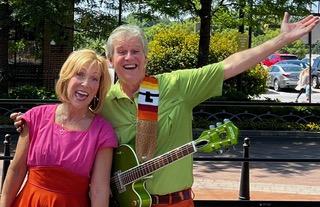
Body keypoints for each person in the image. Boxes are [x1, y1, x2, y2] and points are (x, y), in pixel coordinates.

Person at [11, 12, 319, 207]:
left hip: (176, 203)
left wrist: (279, 39)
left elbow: (229, 65)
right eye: (121, 52)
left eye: (136, 51)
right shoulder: (102, 103)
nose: (129, 57)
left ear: (146, 57)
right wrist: (29, 123)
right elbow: (69, 118)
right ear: (111, 60)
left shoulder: (176, 86)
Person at [1, 49, 118, 207]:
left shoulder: (103, 132)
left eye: (94, 79)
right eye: (80, 74)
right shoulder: (35, 117)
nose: (86, 84)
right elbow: (16, 171)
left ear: (99, 87)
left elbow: (99, 189)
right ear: (67, 77)